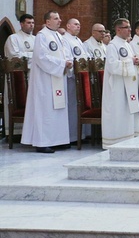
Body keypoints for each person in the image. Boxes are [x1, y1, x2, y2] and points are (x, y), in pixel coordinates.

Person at [20, 11, 72, 153]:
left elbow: (66, 53)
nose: (59, 20)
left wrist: (68, 62)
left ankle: (58, 140)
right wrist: (62, 63)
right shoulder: (42, 36)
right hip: (45, 80)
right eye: (56, 18)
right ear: (47, 21)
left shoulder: (58, 36)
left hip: (58, 77)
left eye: (59, 17)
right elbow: (41, 57)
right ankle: (42, 142)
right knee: (46, 110)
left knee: (58, 108)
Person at [102, 18, 139, 148]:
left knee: (127, 112)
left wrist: (134, 61)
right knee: (118, 112)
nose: (130, 30)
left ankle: (129, 137)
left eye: (129, 27)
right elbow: (113, 66)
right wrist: (131, 62)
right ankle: (115, 141)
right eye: (127, 27)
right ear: (118, 29)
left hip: (128, 85)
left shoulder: (126, 45)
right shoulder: (113, 46)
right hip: (117, 87)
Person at [4, 14, 35, 138]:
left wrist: (28, 55)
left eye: (32, 23)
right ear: (21, 24)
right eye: (28, 23)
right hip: (17, 79)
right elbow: (15, 56)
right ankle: (14, 134)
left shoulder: (36, 38)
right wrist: (32, 55)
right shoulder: (13, 38)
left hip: (33, 77)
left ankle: (30, 134)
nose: (31, 25)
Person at [62, 18, 87, 143]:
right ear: (68, 26)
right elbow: (67, 58)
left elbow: (85, 58)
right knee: (71, 106)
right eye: (76, 24)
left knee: (79, 106)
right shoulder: (64, 39)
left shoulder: (78, 40)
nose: (78, 27)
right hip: (71, 78)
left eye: (79, 25)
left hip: (81, 78)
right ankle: (70, 136)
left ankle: (79, 135)